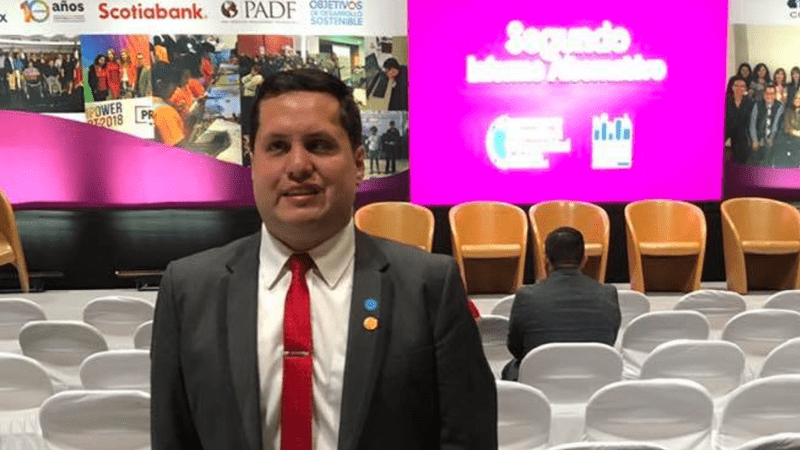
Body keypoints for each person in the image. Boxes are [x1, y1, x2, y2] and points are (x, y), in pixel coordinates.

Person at [150, 68, 497, 449]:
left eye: (319, 145)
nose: (298, 166)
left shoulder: (429, 285)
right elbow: (174, 437)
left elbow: (468, 439)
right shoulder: (188, 288)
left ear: (360, 163)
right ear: (252, 162)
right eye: (278, 147)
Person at [502, 226, 620, 381]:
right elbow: (609, 342)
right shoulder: (608, 293)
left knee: (511, 369)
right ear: (584, 259)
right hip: (594, 381)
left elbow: (515, 348)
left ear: (546, 259)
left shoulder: (527, 296)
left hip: (538, 382)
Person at [749, 83, 784, 165]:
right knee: (756, 163)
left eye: (772, 94)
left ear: (775, 95)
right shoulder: (757, 104)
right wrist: (754, 139)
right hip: (758, 138)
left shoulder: (779, 106)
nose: (769, 96)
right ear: (764, 94)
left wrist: (771, 138)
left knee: (769, 161)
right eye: (767, 93)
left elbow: (776, 123)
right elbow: (752, 123)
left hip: (773, 140)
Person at [725, 75, 754, 164]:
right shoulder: (726, 101)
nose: (739, 88)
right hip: (728, 131)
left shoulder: (750, 102)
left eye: (742, 86)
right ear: (732, 87)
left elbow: (750, 122)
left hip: (743, 135)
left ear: (745, 89)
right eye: (736, 85)